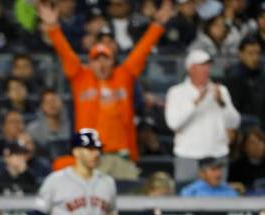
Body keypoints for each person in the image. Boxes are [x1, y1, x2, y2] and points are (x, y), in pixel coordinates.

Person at [38, 1, 173, 178]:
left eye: (105, 59)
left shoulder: (124, 76)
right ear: (90, 62)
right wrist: (52, 26)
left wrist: (158, 25)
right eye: (96, 59)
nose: (101, 63)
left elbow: (142, 50)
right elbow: (64, 52)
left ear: (112, 61)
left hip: (121, 157)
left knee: (125, 201)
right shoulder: (80, 77)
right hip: (90, 156)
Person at [165, 49, 241, 182]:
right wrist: (195, 104)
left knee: (220, 200)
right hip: (187, 154)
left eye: (208, 65)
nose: (206, 69)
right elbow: (173, 123)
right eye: (202, 65)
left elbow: (234, 122)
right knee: (185, 199)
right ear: (191, 68)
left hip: (217, 153)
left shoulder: (221, 91)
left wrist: (221, 103)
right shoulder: (176, 92)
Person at [224, 36, 265, 131]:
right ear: (240, 54)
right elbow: (234, 110)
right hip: (244, 126)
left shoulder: (261, 73)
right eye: (250, 53)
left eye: (258, 53)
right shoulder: (234, 76)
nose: (255, 57)